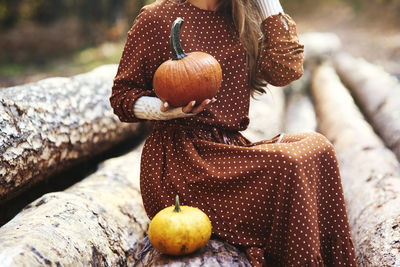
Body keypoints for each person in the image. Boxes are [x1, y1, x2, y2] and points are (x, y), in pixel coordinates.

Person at [110, 0, 358, 266]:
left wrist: (267, 4)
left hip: (230, 151)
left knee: (318, 147)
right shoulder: (157, 18)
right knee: (288, 162)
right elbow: (122, 98)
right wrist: (170, 110)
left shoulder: (242, 18)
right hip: (182, 163)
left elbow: (287, 71)